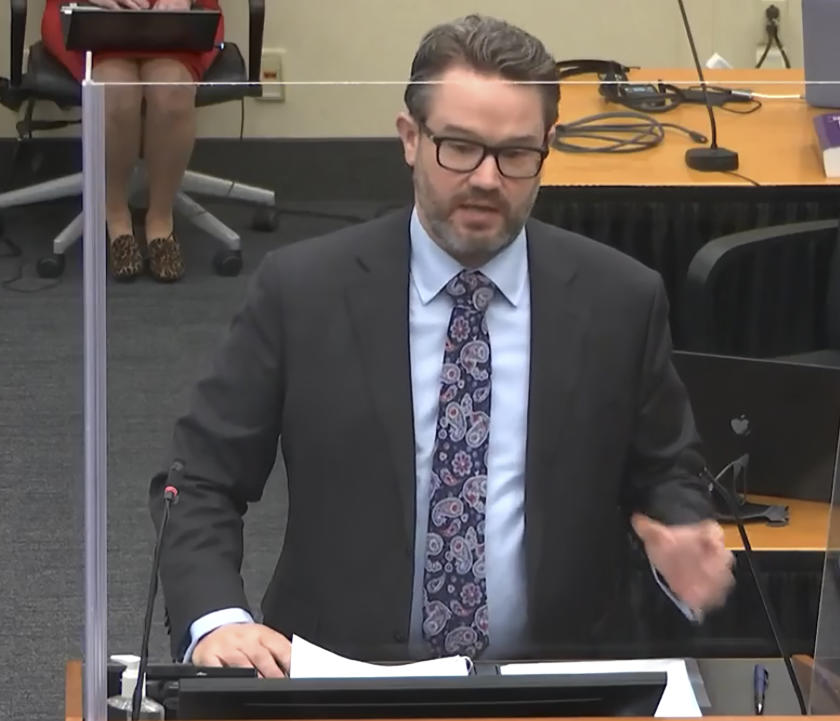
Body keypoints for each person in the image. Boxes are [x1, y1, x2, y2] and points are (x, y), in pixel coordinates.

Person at [150, 14, 734, 677]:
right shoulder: (304, 290)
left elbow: (667, 471)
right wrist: (217, 619)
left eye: (516, 154)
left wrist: (685, 533)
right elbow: (197, 479)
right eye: (459, 147)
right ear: (410, 138)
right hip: (340, 677)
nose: (487, 179)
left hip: (552, 682)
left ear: (548, 146)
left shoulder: (619, 300)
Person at [42, 0, 225, 282]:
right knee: (114, 92)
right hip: (89, 15)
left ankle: (161, 220)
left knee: (172, 93)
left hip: (179, 17)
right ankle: (116, 218)